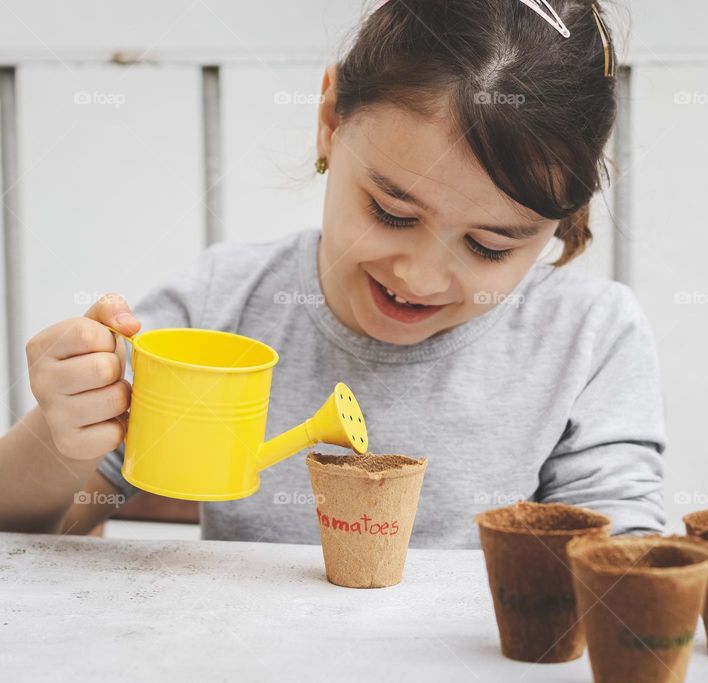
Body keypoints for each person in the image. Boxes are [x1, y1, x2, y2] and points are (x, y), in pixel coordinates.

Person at [0, 0, 666, 548]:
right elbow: (27, 535)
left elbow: (621, 566)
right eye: (391, 212)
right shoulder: (221, 307)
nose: (422, 278)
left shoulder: (588, 338)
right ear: (329, 120)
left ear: (559, 220)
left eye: (490, 246)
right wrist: (60, 434)